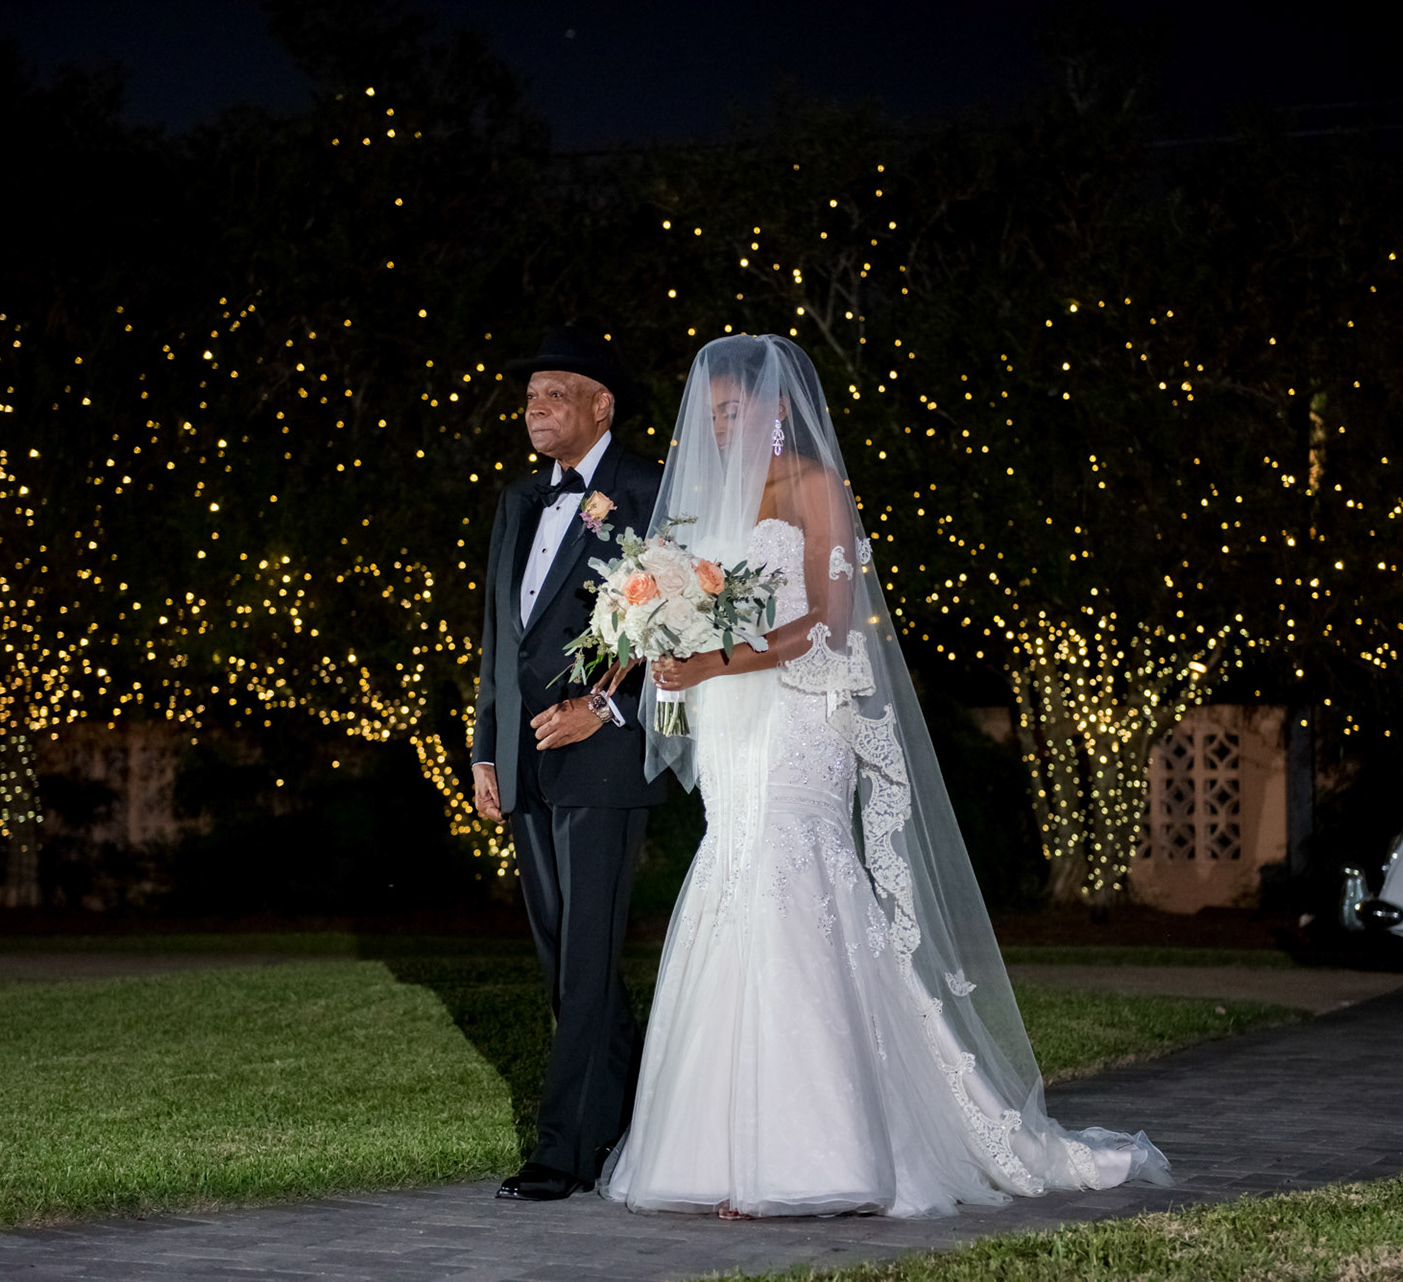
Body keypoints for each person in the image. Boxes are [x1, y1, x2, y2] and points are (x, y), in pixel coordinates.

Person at [600, 334, 1170, 1218]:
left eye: (731, 411)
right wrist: (669, 647)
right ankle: (716, 1152)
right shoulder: (712, 506)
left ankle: (813, 1156)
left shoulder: (816, 489)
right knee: (734, 884)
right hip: (733, 732)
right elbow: (691, 603)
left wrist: (714, 661)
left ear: (776, 409)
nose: (717, 427)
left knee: (797, 885)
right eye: (708, 413)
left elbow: (831, 624)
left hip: (800, 715)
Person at [474, 325, 670, 1201]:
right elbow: (496, 638)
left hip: (607, 753)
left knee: (586, 958)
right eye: (530, 395)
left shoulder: (651, 490)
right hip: (524, 759)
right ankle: (636, 1117)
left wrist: (605, 710)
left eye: (556, 392)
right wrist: (485, 748)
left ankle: (567, 1150)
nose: (536, 407)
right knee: (562, 959)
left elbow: (679, 627)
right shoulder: (519, 501)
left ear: (603, 406)